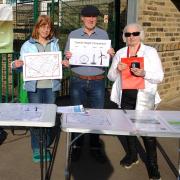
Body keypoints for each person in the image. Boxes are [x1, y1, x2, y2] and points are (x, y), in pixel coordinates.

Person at [108, 23, 164, 179]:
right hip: (125, 97)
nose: (131, 37)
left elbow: (159, 77)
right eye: (128, 34)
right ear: (124, 37)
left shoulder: (150, 52)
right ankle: (133, 155)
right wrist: (117, 69)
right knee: (129, 128)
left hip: (144, 98)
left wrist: (144, 73)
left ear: (141, 34)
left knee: (147, 133)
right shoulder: (120, 53)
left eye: (135, 33)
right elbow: (111, 77)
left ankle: (153, 165)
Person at [64, 5, 115, 163]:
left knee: (96, 115)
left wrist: (110, 55)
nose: (91, 19)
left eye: (94, 16)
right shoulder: (73, 35)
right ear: (82, 18)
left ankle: (94, 147)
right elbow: (67, 59)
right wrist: (68, 56)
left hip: (98, 81)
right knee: (77, 114)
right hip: (78, 80)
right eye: (88, 16)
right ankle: (77, 146)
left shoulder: (103, 34)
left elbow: (107, 60)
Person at [12, 15, 64, 163]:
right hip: (34, 88)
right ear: (37, 27)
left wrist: (63, 63)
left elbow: (57, 64)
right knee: (35, 118)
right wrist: (16, 65)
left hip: (51, 87)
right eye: (43, 26)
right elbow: (21, 67)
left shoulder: (55, 44)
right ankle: (36, 147)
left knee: (48, 117)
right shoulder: (27, 45)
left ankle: (45, 144)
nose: (46, 30)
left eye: (48, 27)